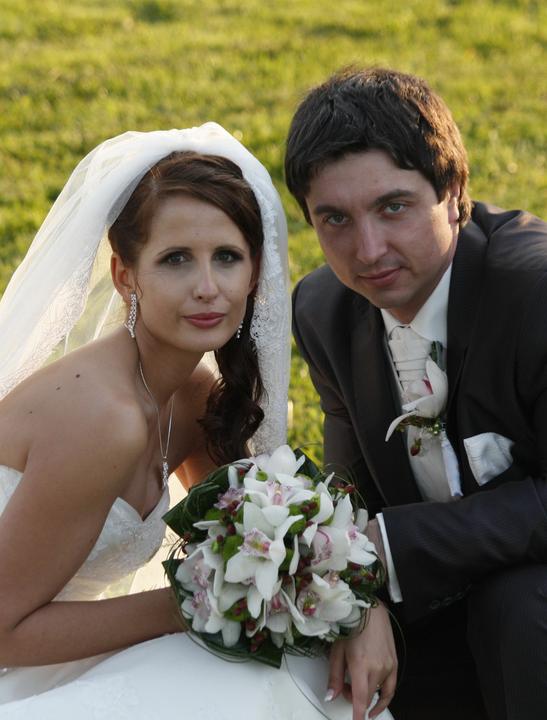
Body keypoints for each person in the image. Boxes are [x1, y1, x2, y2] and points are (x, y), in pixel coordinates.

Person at [0, 123, 393, 720]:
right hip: (16, 665)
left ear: (255, 273)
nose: (208, 288)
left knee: (290, 664)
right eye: (176, 259)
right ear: (125, 276)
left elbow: (275, 531)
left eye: (227, 258)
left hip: (53, 652)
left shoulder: (190, 396)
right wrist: (194, 602)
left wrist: (362, 607)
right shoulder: (102, 417)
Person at [287, 67, 547, 720]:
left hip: (528, 596)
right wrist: (363, 596)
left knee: (520, 609)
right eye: (334, 219)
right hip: (444, 591)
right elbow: (350, 490)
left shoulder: (536, 296)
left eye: (392, 207)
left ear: (452, 192)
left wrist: (391, 547)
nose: (367, 249)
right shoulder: (323, 309)